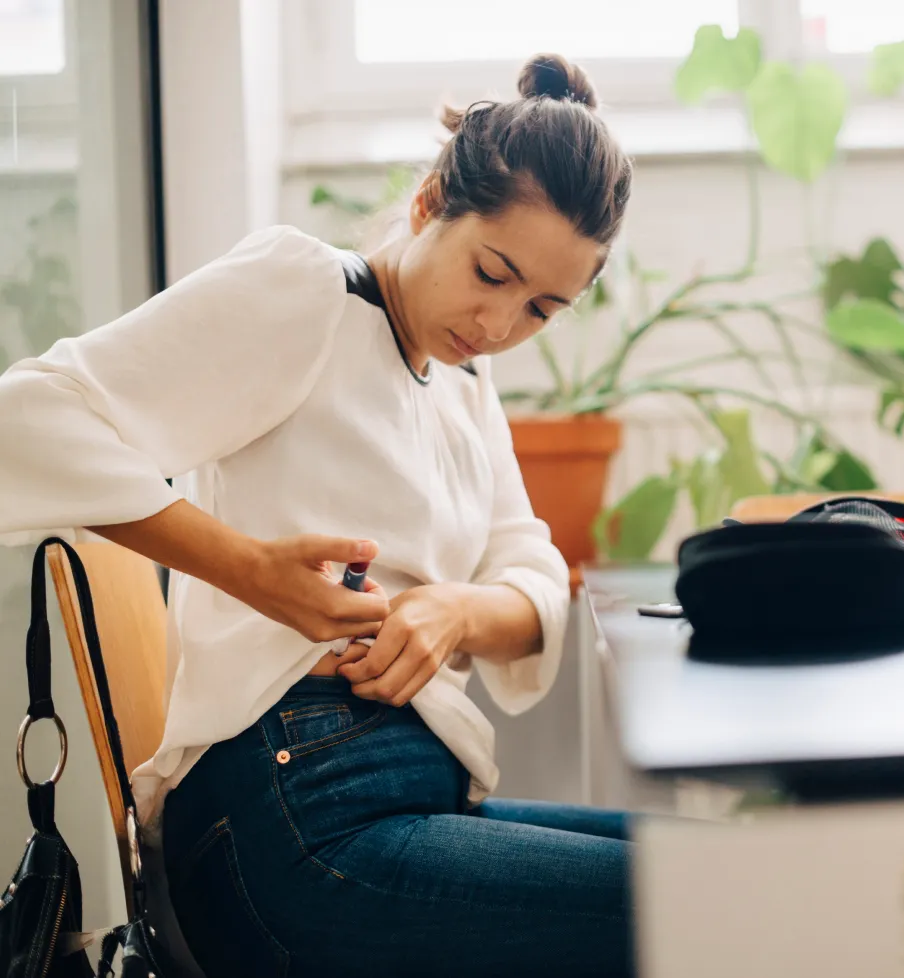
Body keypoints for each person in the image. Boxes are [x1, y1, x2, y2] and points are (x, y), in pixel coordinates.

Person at [0, 53, 634, 978]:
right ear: (429, 204)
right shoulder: (310, 294)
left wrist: (453, 611)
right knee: (700, 904)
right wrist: (248, 570)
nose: (499, 324)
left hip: (406, 799)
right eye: (491, 273)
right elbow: (26, 417)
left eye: (542, 307)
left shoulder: (463, 378)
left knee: (729, 873)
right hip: (289, 819)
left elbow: (530, 572)